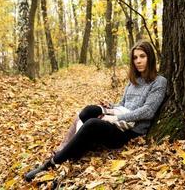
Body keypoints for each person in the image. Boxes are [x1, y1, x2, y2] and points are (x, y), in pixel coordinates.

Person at [24, 40, 167, 182]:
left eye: (142, 56)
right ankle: (73, 147)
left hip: (130, 132)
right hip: (119, 120)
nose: (138, 61)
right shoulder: (133, 80)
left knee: (93, 124)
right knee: (88, 111)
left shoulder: (159, 81)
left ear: (150, 57)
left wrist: (115, 118)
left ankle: (50, 164)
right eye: (135, 57)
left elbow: (148, 111)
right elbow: (122, 104)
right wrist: (110, 106)